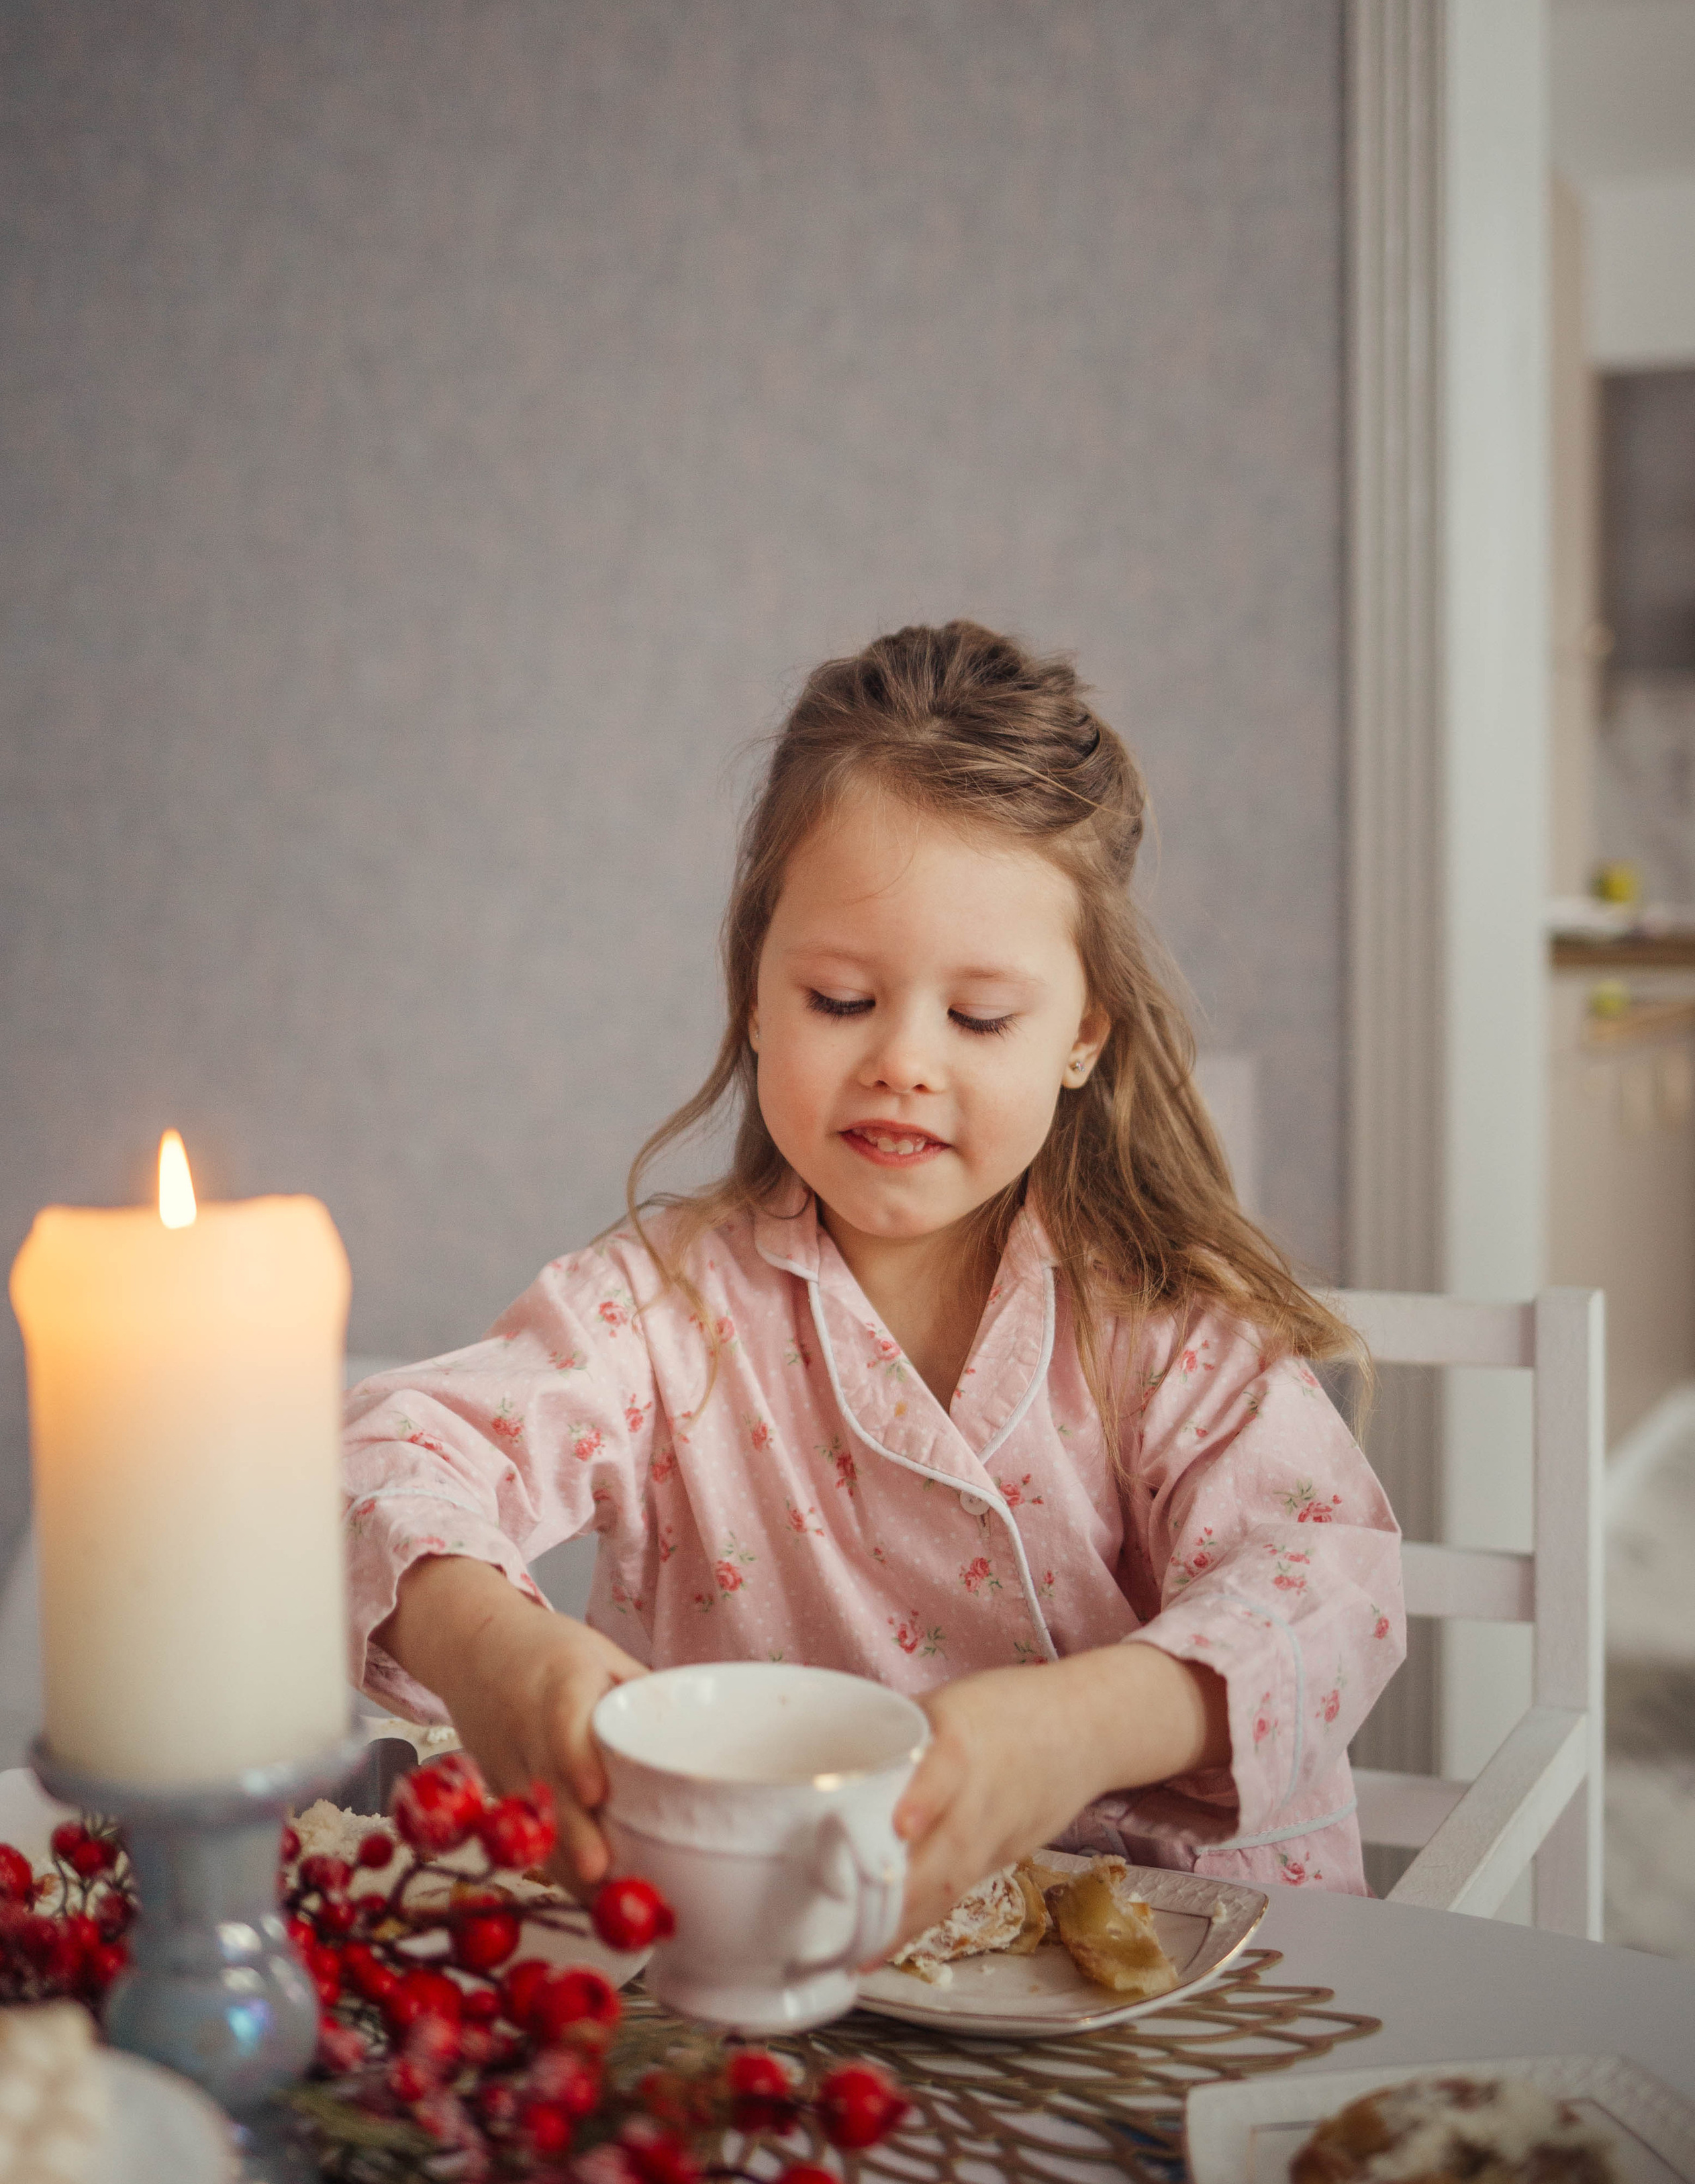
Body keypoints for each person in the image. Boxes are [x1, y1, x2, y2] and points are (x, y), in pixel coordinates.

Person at [344, 620, 1403, 1939]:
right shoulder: (664, 1309)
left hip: (1177, 1976)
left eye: (976, 1018)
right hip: (786, 1987)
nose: (903, 1060)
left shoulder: (1163, 1319)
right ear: (753, 992)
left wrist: (1079, 1725)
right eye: (841, 998)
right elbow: (389, 1453)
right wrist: (487, 1644)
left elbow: (1326, 1579)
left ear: (1081, 1032)